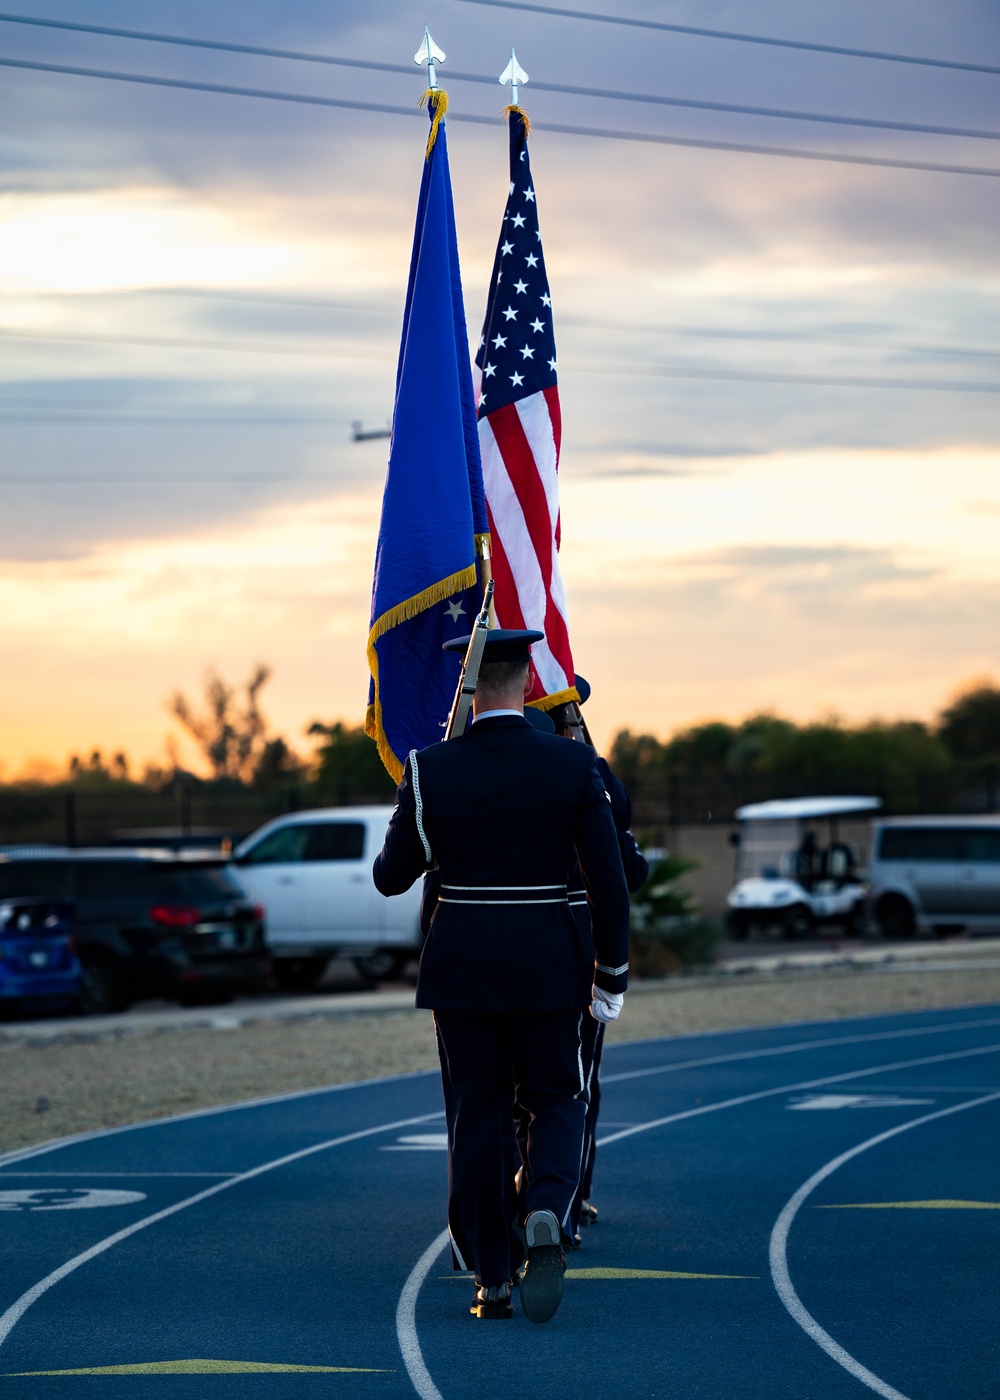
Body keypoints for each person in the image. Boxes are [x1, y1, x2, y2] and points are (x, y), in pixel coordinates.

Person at [373, 629, 631, 1324]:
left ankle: (490, 1275)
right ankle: (547, 1207)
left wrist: (419, 800)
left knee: (477, 1115)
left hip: (463, 971)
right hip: (552, 963)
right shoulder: (573, 767)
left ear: (467, 685)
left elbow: (391, 878)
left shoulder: (430, 769)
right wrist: (613, 970)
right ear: (524, 684)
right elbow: (609, 880)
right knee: (556, 1099)